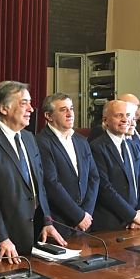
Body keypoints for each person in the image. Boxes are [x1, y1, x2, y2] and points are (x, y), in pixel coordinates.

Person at [0, 81, 66, 264]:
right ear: (4, 108)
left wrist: (47, 221)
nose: (31, 109)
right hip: (3, 245)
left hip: (35, 236)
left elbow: (38, 185)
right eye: (24, 103)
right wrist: (1, 238)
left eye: (30, 103)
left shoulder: (29, 138)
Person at [36, 93, 99, 236]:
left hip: (85, 222)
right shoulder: (41, 142)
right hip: (59, 223)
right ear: (48, 116)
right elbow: (51, 183)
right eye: (63, 110)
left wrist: (86, 214)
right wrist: (78, 215)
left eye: (71, 108)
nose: (70, 114)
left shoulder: (81, 141)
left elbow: (94, 177)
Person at [90, 100, 140, 231]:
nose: (125, 120)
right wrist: (132, 216)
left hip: (137, 222)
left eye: (128, 115)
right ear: (105, 120)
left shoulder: (133, 145)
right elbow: (105, 188)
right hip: (111, 223)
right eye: (119, 115)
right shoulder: (96, 147)